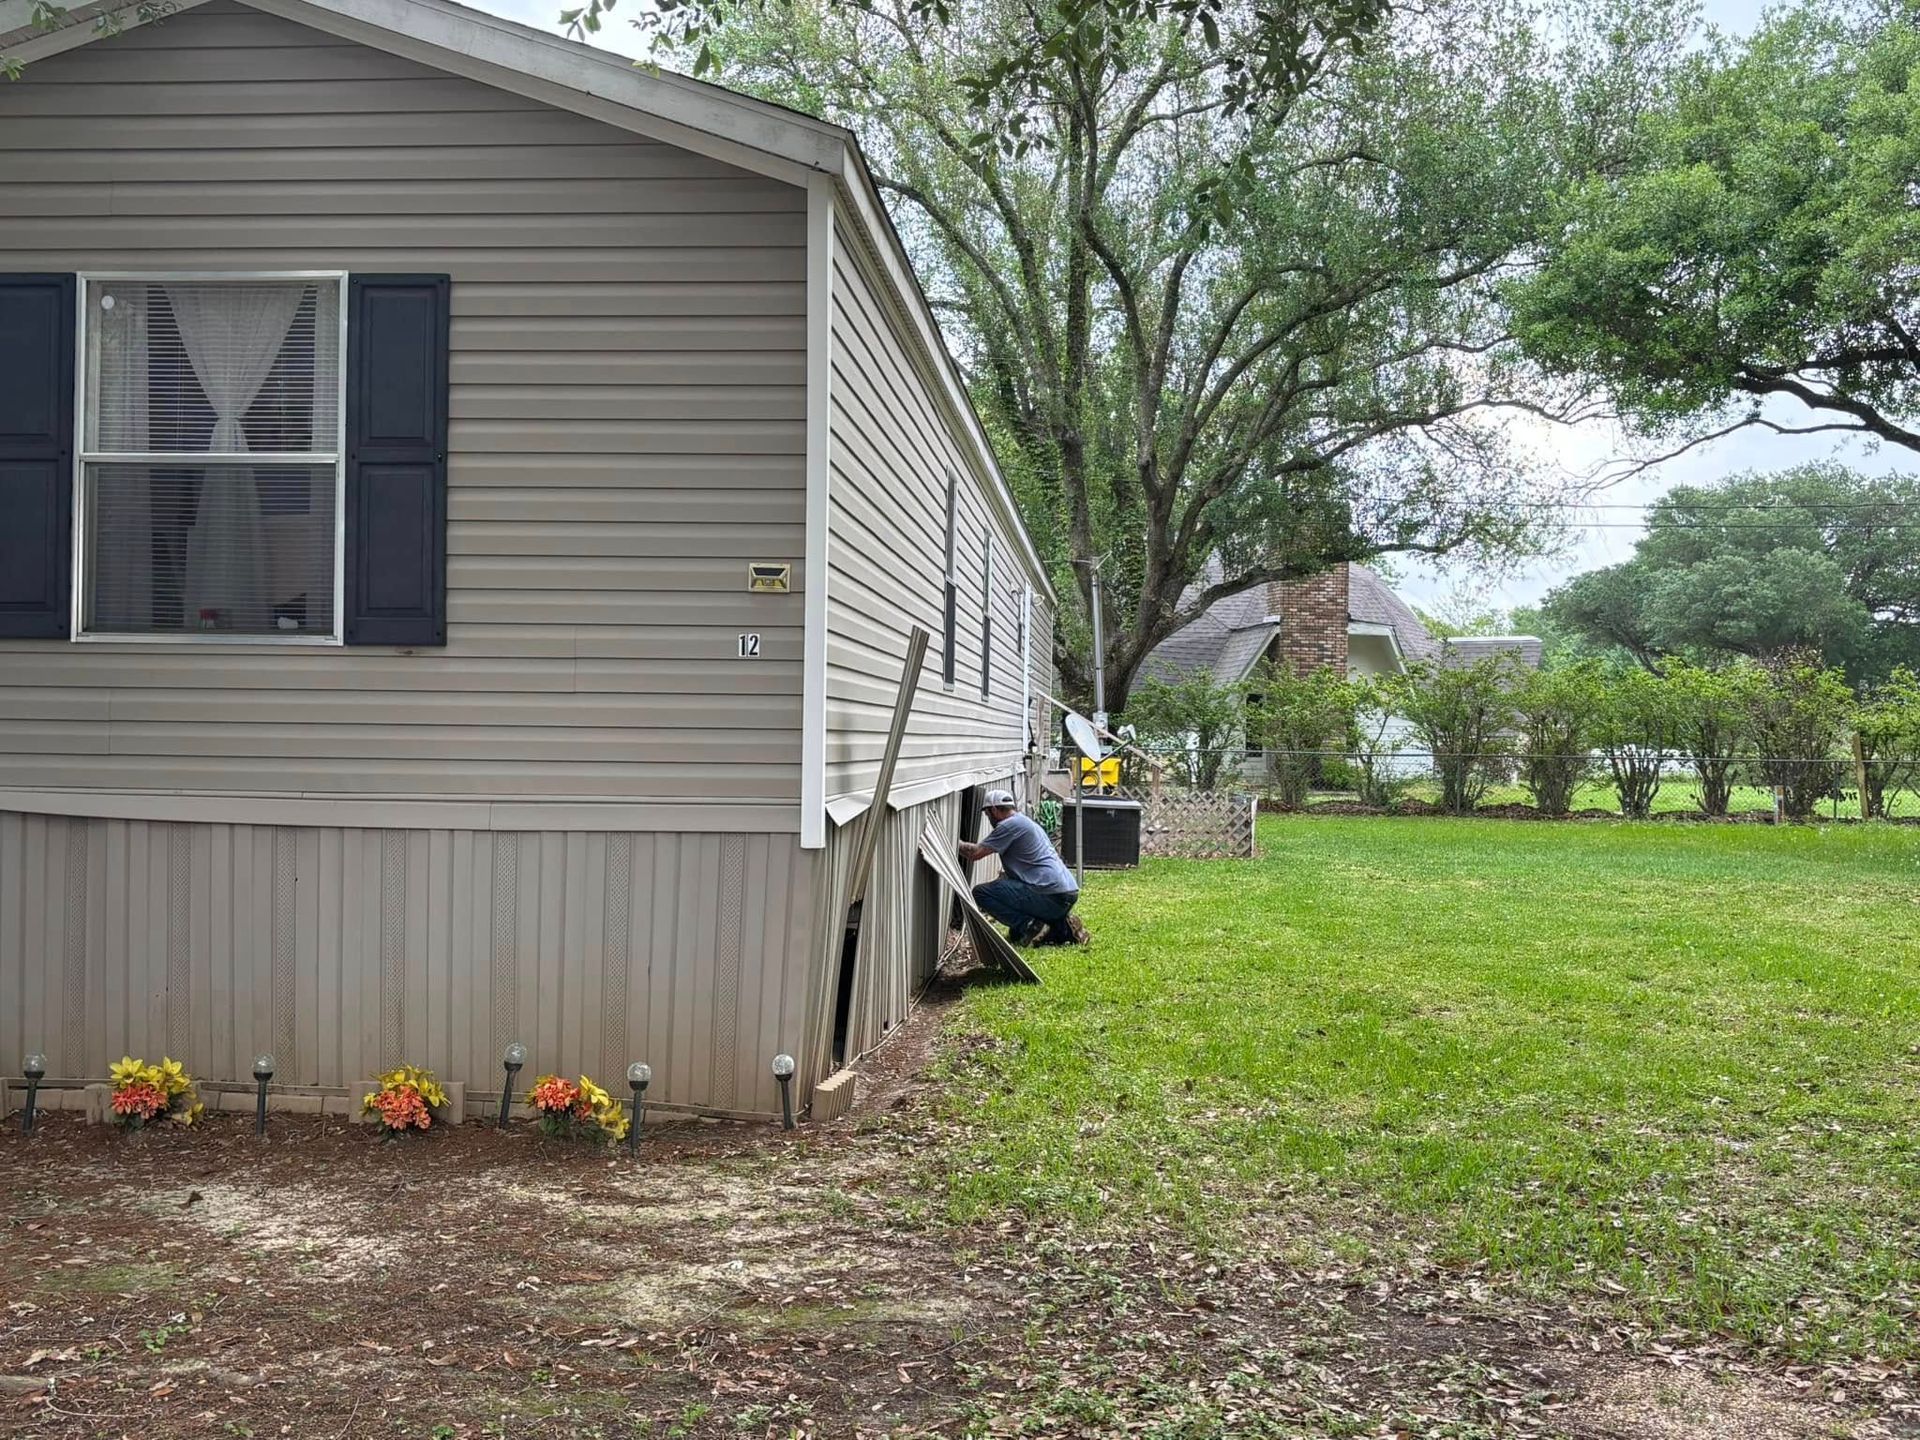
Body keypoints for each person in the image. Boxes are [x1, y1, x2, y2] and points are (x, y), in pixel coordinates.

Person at [959, 790, 1088, 947]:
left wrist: (952, 840)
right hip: (1066, 893)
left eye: (987, 815)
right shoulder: (1024, 821)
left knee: (981, 892)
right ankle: (1061, 928)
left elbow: (975, 853)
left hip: (1051, 895)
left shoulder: (1008, 825)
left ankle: (1031, 926)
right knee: (1015, 934)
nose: (989, 819)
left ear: (993, 810)